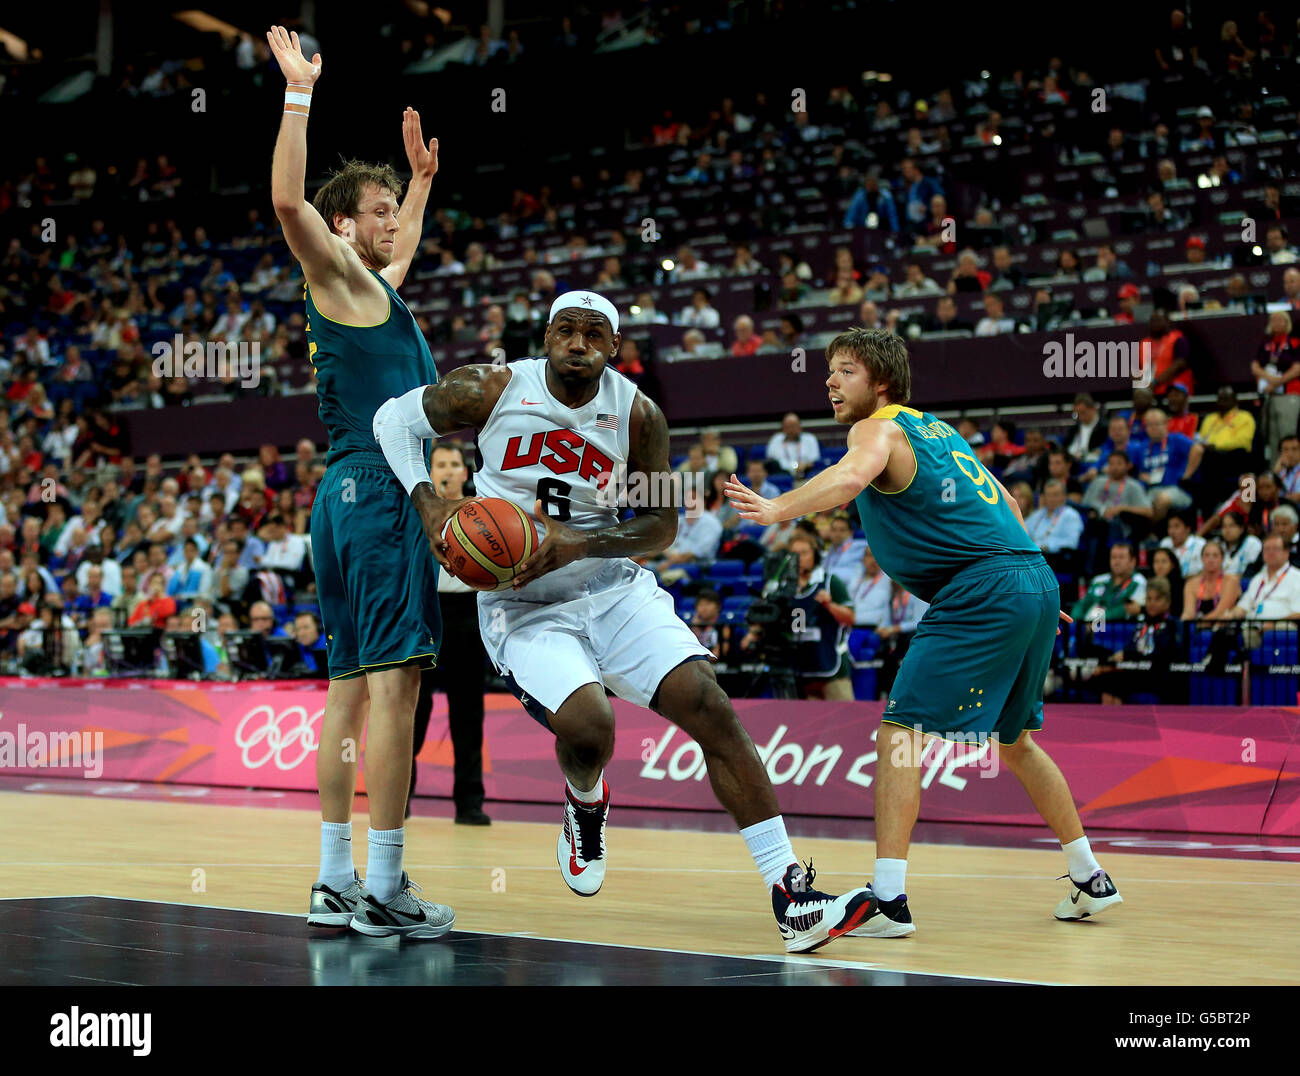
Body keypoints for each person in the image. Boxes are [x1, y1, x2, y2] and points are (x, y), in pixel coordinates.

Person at [374, 289, 875, 953]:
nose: (576, 344)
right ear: (547, 335)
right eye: (565, 331)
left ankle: (792, 895)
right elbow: (391, 420)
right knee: (590, 727)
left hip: (612, 587)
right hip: (525, 607)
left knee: (711, 706)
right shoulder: (490, 387)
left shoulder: (639, 416)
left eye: (592, 334)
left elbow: (661, 524)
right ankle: (586, 800)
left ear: (614, 348)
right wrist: (430, 506)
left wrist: (576, 542)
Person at [725, 327, 1123, 939]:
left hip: (982, 587)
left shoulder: (876, 427)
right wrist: (1029, 580)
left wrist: (779, 508)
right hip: (1031, 579)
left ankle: (888, 899)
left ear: (880, 383)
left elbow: (852, 477)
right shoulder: (941, 431)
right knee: (1014, 742)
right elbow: (1008, 504)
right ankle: (1090, 877)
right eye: (828, 370)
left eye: (846, 370)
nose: (830, 380)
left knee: (899, 735)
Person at [267, 25, 456, 939]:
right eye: (377, 210)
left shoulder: (377, 290)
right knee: (395, 689)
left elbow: (405, 247)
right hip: (380, 496)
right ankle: (385, 884)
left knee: (347, 689)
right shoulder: (336, 268)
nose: (390, 225)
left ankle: (334, 879)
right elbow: (286, 201)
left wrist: (418, 186)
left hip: (341, 499)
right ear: (345, 227)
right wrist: (299, 93)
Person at [408, 442, 490, 825]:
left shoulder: (483, 515)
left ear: (465, 472)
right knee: (413, 709)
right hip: (425, 612)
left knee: (468, 711)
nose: (447, 469)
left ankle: (470, 802)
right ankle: (400, 795)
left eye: (454, 463)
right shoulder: (414, 515)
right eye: (439, 463)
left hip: (468, 615)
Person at [1182, 538, 1240, 620]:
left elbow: (1221, 611)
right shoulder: (1191, 584)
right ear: (1202, 558)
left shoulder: (1231, 581)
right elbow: (1189, 611)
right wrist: (1186, 620)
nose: (1211, 560)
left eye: (1215, 555)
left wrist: (1200, 624)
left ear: (1222, 559)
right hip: (1199, 626)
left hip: (1222, 626)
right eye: (1207, 555)